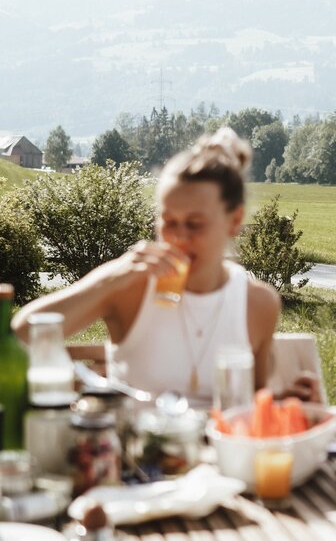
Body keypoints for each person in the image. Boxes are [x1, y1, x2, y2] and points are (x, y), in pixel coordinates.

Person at [13, 128, 320, 404]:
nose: (178, 238)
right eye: (168, 222)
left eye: (195, 224)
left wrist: (283, 402)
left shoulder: (258, 304)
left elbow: (251, 409)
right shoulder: (130, 287)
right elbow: (22, 334)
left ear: (235, 221)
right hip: (136, 460)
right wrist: (110, 279)